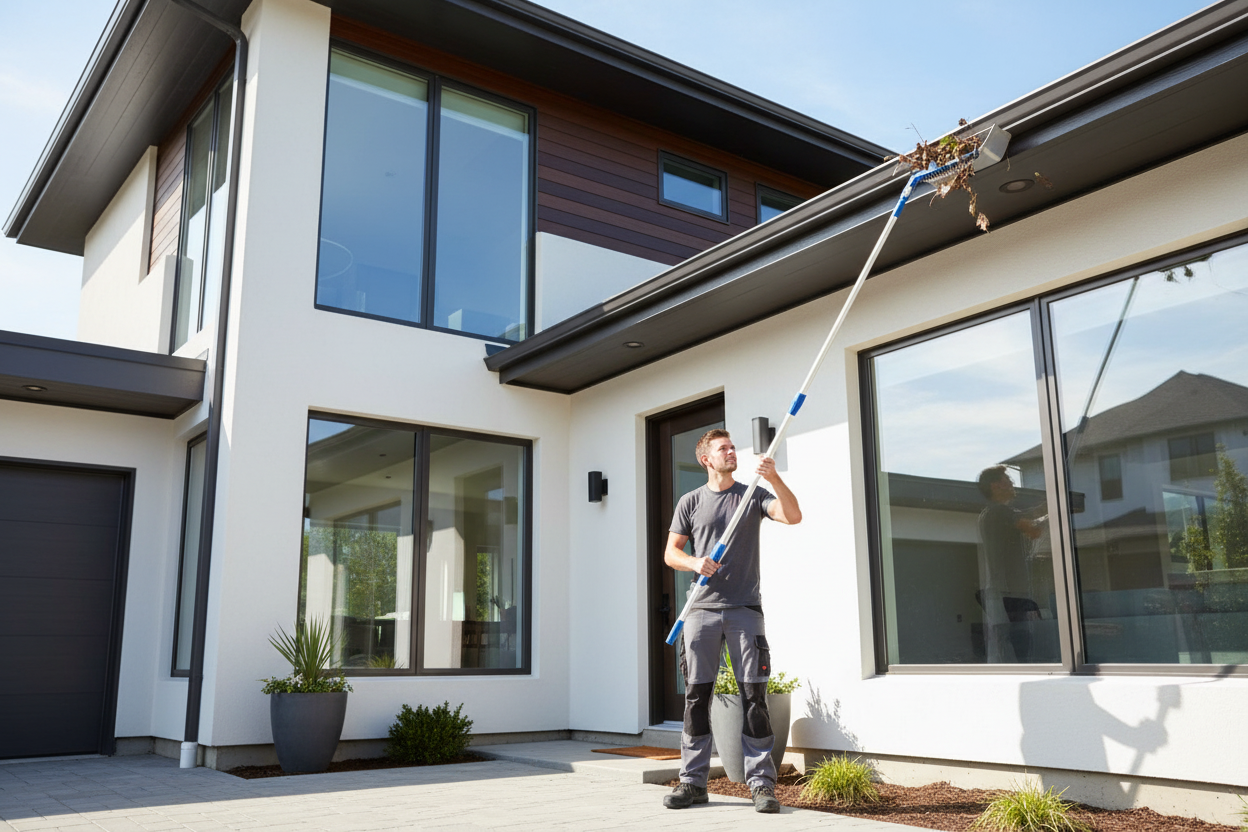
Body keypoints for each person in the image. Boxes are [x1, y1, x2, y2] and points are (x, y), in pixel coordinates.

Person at [661, 429, 801, 814]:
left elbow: (793, 515)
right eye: (723, 448)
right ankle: (692, 782)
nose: (731, 452)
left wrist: (774, 478)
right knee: (696, 698)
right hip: (700, 611)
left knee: (754, 696)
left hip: (744, 610)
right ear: (706, 459)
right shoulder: (690, 501)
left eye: (732, 447)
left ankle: (761, 784)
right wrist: (695, 561)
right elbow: (672, 553)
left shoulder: (752, 494)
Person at [976, 465, 1045, 662]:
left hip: (1005, 591)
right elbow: (1033, 531)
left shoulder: (991, 514)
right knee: (1021, 642)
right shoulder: (999, 512)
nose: (1013, 484)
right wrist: (1055, 512)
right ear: (996, 485)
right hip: (1010, 591)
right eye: (1009, 480)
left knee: (1010, 643)